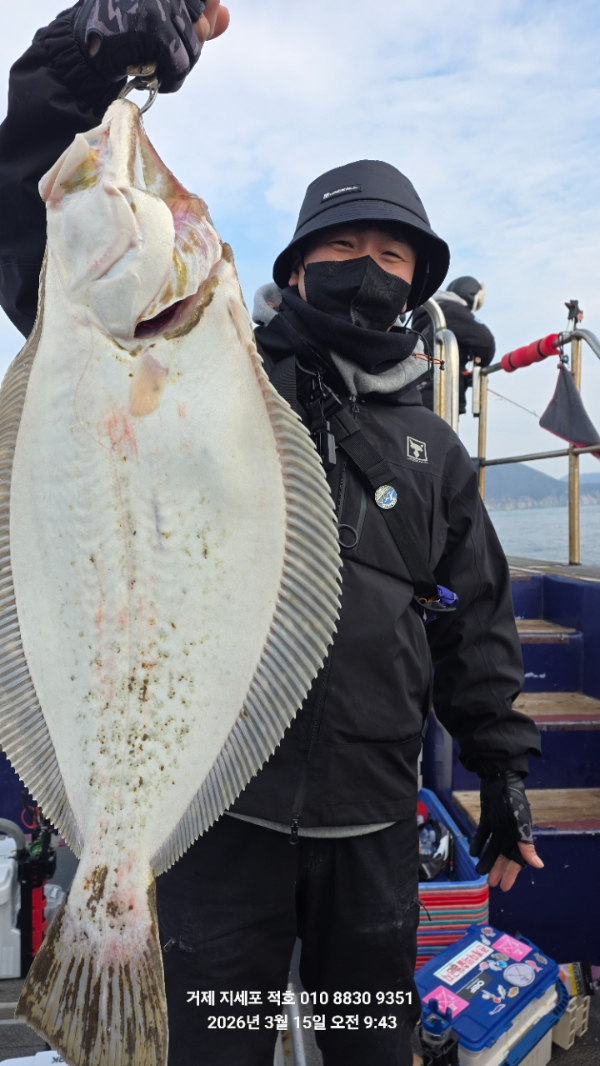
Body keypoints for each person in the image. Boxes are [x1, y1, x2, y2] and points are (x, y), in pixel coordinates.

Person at [0, 4, 543, 1065]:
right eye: (342, 245)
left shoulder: (437, 451)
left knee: (367, 1046)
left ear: (417, 285)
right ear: (293, 270)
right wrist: (91, 52)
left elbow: (471, 623)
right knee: (220, 1046)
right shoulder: (218, 373)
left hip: (373, 831)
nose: (367, 266)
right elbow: (30, 209)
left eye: (392, 254)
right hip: (222, 823)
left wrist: (504, 772)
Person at [412, 275, 496, 414]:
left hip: (416, 394)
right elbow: (486, 342)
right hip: (441, 396)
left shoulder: (428, 315)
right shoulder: (454, 310)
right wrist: (480, 364)